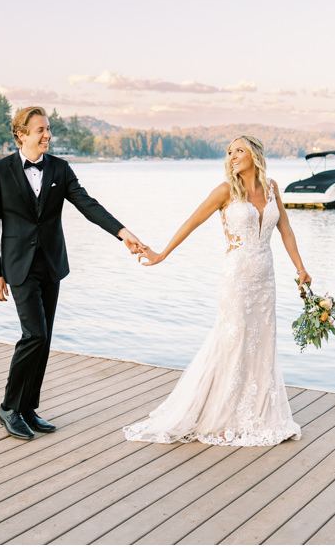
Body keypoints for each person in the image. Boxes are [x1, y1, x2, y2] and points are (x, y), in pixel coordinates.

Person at [124, 135, 311, 446]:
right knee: (233, 343)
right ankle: (222, 418)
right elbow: (191, 222)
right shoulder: (225, 190)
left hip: (266, 279)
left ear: (254, 153)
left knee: (263, 344)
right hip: (236, 278)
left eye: (239, 150)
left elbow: (286, 229)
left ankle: (260, 416)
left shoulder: (273, 188)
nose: (233, 156)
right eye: (229, 152)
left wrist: (301, 269)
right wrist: (161, 254)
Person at [0, 105, 145, 440]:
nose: (47, 135)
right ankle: (8, 408)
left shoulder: (60, 168)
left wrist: (122, 232)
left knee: (45, 339)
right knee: (34, 335)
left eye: (48, 128)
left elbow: (87, 205)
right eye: (40, 130)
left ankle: (28, 409)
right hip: (18, 267)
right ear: (21, 134)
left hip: (52, 265)